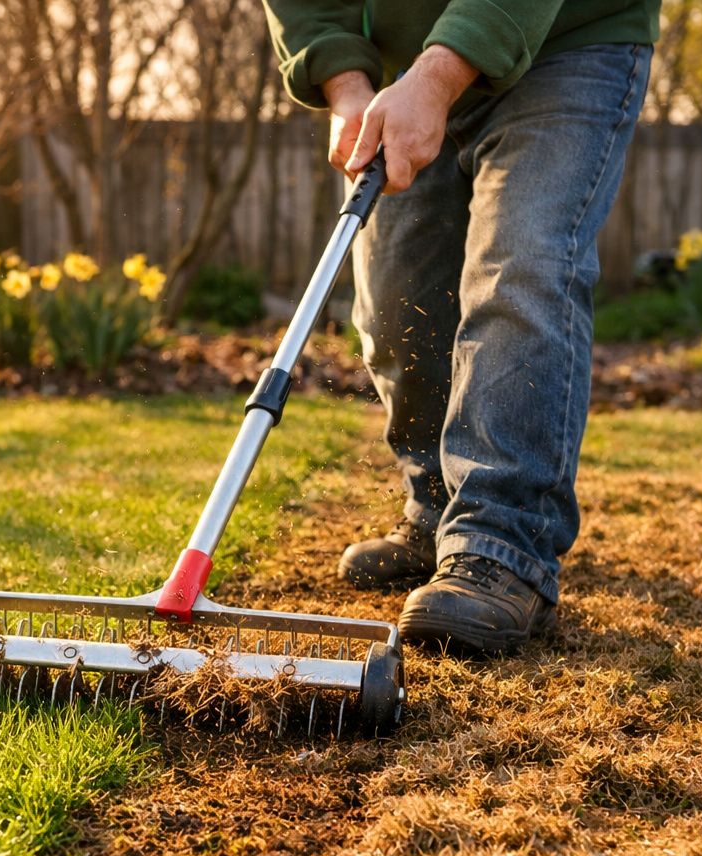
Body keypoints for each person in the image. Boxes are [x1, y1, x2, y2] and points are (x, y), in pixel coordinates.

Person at [261, 1, 658, 654]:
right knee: (397, 302)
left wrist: (441, 76)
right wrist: (346, 81)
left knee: (521, 264)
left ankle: (502, 544)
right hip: (401, 66)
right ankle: (439, 512)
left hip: (568, 42)